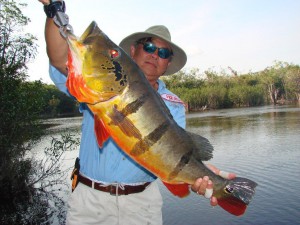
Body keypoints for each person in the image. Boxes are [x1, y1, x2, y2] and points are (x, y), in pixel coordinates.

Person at [39, 1, 236, 224]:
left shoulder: (174, 104)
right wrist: (52, 9)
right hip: (88, 200)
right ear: (133, 50)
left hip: (142, 204)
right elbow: (57, 57)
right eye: (149, 47)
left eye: (163, 53)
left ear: (168, 63)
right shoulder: (95, 86)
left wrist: (203, 177)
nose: (154, 55)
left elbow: (177, 155)